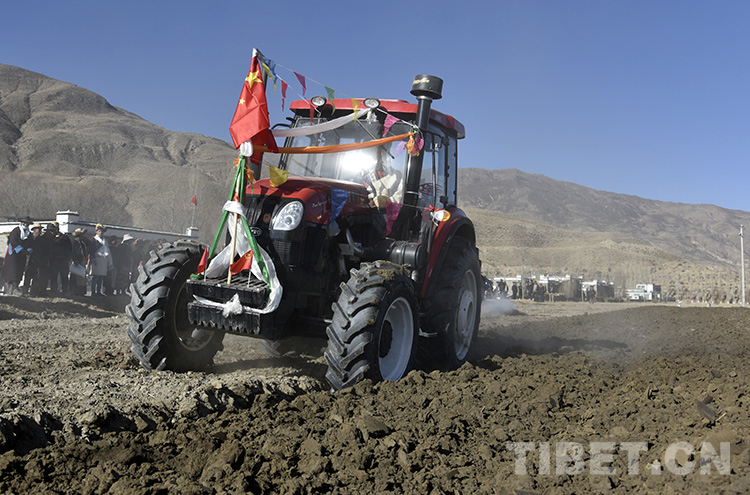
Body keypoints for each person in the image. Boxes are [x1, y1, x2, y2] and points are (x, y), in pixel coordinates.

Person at [1, 216, 32, 295]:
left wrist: (29, 250)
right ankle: (9, 289)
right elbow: (13, 241)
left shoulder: (29, 234)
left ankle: (15, 287)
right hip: (13, 255)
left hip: (22, 256)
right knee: (12, 271)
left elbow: (30, 243)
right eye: (24, 223)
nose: (25, 224)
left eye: (27, 223)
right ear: (21, 223)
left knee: (19, 270)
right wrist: (21, 250)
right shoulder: (16, 231)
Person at [88, 224, 111, 296]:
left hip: (103, 260)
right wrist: (93, 259)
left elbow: (108, 251)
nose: (101, 233)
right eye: (99, 231)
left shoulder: (105, 241)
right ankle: (93, 291)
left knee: (101, 277)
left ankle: (98, 291)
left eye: (102, 231)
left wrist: (109, 262)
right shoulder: (93, 240)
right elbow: (91, 251)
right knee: (95, 277)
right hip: (96, 259)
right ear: (96, 232)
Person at [69, 228, 89, 296]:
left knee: (82, 277)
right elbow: (73, 251)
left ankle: (81, 291)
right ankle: (74, 291)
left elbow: (89, 244)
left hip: (82, 260)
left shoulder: (83, 241)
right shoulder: (74, 241)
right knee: (75, 276)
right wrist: (75, 259)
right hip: (77, 260)